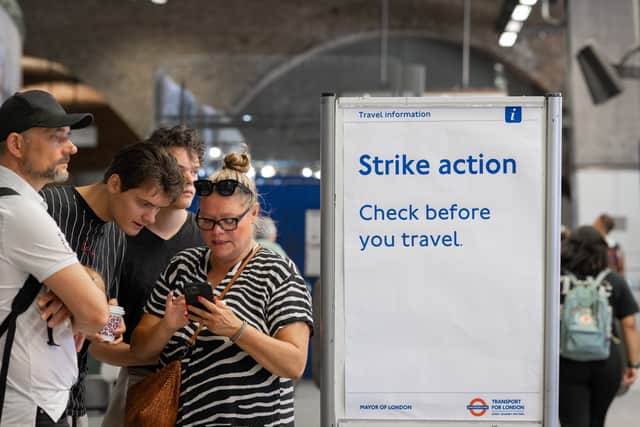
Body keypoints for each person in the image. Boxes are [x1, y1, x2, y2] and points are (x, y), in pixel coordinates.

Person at [131, 149, 313, 426]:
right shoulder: (183, 265)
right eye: (207, 221)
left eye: (229, 221)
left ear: (253, 214)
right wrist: (167, 326)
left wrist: (236, 329)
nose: (216, 232)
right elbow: (140, 350)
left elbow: (294, 363)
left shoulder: (277, 272)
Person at [40, 141, 184, 426]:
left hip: (71, 397)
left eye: (157, 208)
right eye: (144, 203)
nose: (150, 218)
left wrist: (108, 327)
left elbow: (104, 331)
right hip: (24, 387)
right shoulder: (48, 206)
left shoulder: (117, 236)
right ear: (115, 183)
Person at [0, 90, 109, 426]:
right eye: (57, 137)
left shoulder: (19, 206)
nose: (72, 147)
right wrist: (82, 303)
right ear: (17, 145)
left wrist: (82, 288)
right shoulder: (18, 212)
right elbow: (97, 314)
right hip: (29, 405)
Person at [98, 125, 205, 427]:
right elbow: (105, 339)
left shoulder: (209, 236)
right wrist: (145, 356)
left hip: (206, 388)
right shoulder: (120, 239)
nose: (188, 179)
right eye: (176, 168)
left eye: (194, 169)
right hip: (142, 383)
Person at [559, 225, 639, 427]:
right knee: (597, 420)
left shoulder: (556, 278)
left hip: (566, 360)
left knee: (573, 421)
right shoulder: (614, 280)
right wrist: (633, 364)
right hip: (606, 361)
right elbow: (629, 325)